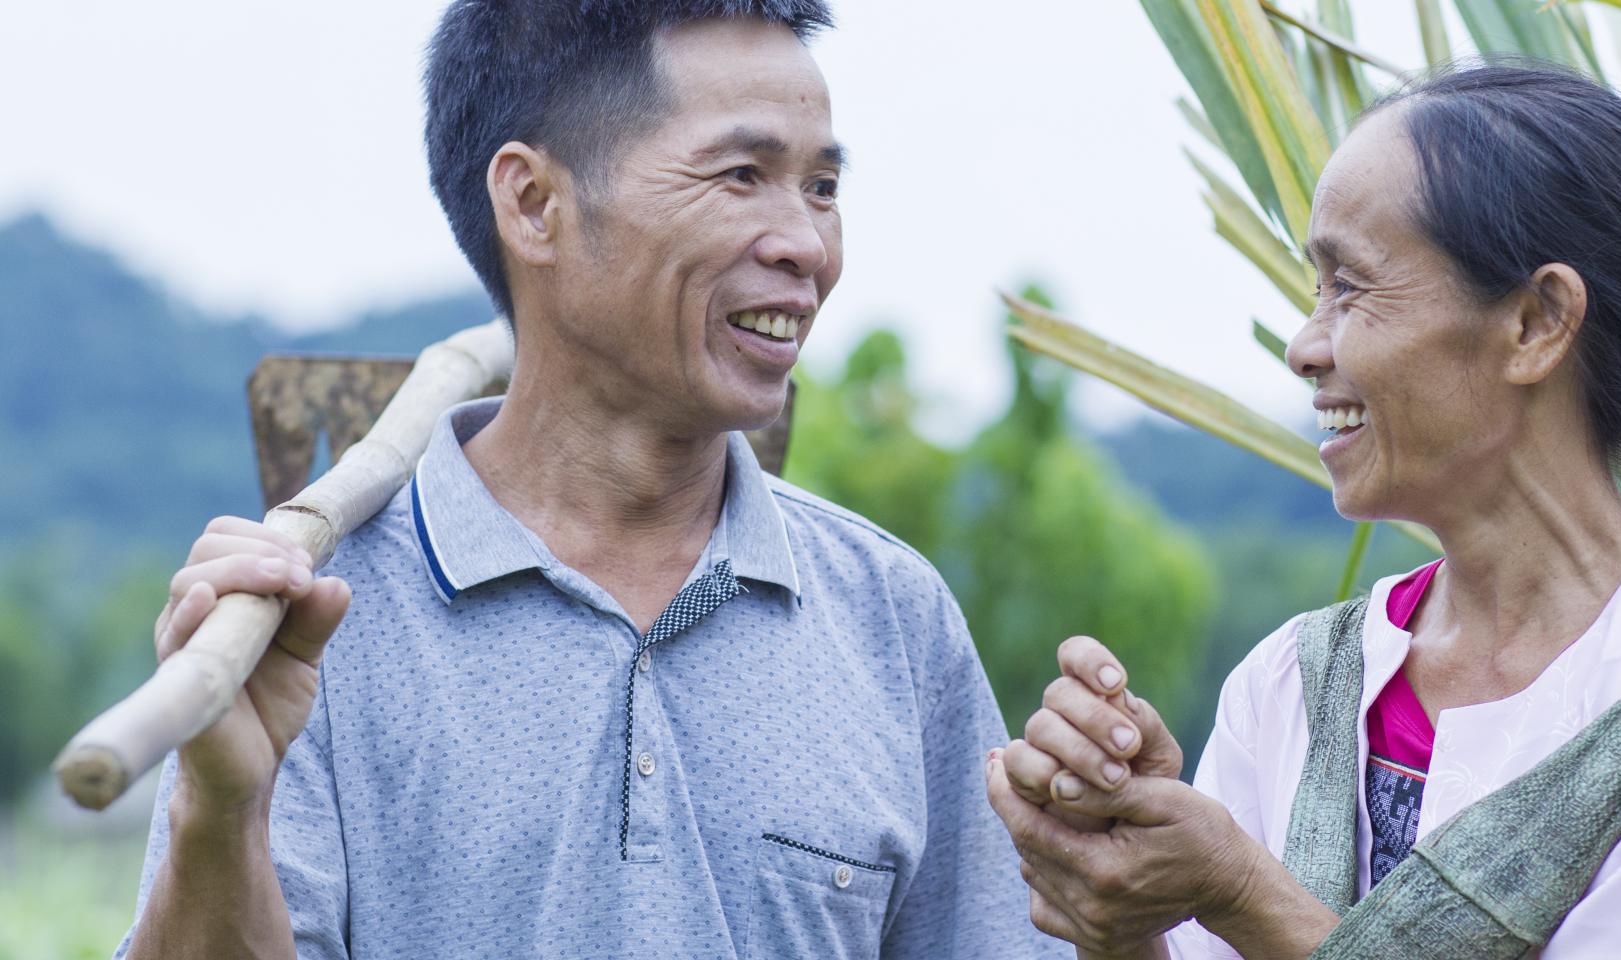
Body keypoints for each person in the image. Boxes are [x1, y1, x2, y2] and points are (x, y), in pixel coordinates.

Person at [116, 3, 1062, 957]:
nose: (808, 246)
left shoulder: (891, 618)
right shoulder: (319, 627)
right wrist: (221, 812)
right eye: (742, 175)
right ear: (533, 204)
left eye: (821, 185)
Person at [988, 64, 1621, 958]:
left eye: (1350, 286)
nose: (1307, 346)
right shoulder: (1295, 687)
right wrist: (1129, 907)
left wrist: (1236, 888)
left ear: (1536, 323)